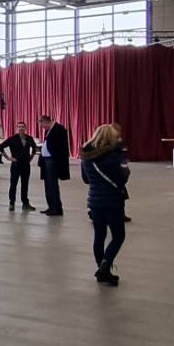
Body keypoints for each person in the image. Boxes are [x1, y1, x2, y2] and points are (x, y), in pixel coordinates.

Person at [81, 123, 130, 286]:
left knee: (99, 235)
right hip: (112, 201)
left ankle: (102, 271)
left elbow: (86, 179)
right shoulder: (114, 157)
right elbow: (123, 178)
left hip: (94, 201)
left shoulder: (86, 156)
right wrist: (124, 163)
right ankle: (105, 266)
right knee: (118, 236)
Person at [0, 121, 37, 211]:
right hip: (16, 165)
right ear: (17, 128)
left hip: (26, 165)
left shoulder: (29, 138)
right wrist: (8, 158)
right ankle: (12, 203)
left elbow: (34, 148)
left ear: (25, 128)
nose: (21, 128)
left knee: (25, 185)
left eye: (22, 126)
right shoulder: (12, 138)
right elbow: (1, 147)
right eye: (19, 127)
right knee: (13, 184)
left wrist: (30, 158)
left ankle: (25, 203)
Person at [37, 114, 71, 216]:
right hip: (46, 160)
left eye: (42, 125)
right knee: (47, 185)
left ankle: (56, 208)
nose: (42, 127)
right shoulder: (49, 130)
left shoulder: (59, 129)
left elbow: (61, 148)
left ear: (45, 121)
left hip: (53, 160)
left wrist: (57, 159)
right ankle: (51, 206)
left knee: (52, 185)